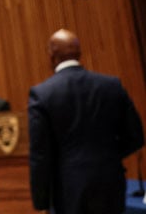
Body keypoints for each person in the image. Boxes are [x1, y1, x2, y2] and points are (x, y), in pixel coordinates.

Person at [28, 29, 144, 214]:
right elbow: (136, 135)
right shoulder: (111, 85)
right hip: (110, 180)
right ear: (79, 53)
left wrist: (41, 201)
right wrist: (108, 155)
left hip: (69, 186)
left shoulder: (42, 94)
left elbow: (40, 154)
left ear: (51, 56)